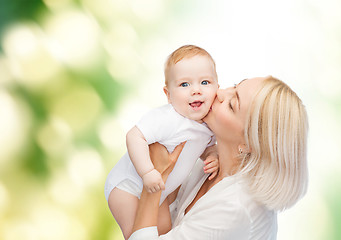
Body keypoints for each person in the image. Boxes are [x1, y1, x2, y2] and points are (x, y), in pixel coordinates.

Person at [129, 76, 309, 240]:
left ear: (248, 144)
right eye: (234, 86)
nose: (219, 92)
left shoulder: (236, 207)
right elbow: (165, 224)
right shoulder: (212, 162)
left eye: (232, 104)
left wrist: (155, 180)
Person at [104, 45, 220, 239]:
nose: (196, 90)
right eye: (185, 84)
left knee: (165, 232)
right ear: (168, 94)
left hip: (160, 193)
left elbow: (206, 147)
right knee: (136, 232)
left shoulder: (208, 124)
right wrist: (147, 171)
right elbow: (134, 136)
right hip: (127, 187)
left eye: (205, 82)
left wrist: (213, 155)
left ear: (217, 86)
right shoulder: (168, 118)